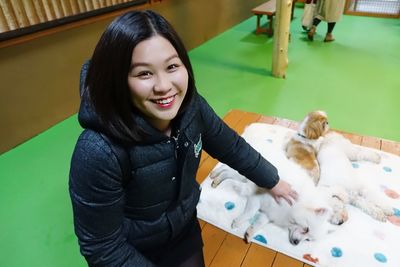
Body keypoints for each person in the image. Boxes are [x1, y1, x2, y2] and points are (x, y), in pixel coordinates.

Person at [69, 10, 298, 267]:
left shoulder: (192, 108)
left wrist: (272, 180)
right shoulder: (98, 151)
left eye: (172, 66)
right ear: (118, 80)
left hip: (182, 228)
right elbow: (103, 247)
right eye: (144, 73)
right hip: (131, 246)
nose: (164, 86)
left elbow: (230, 146)